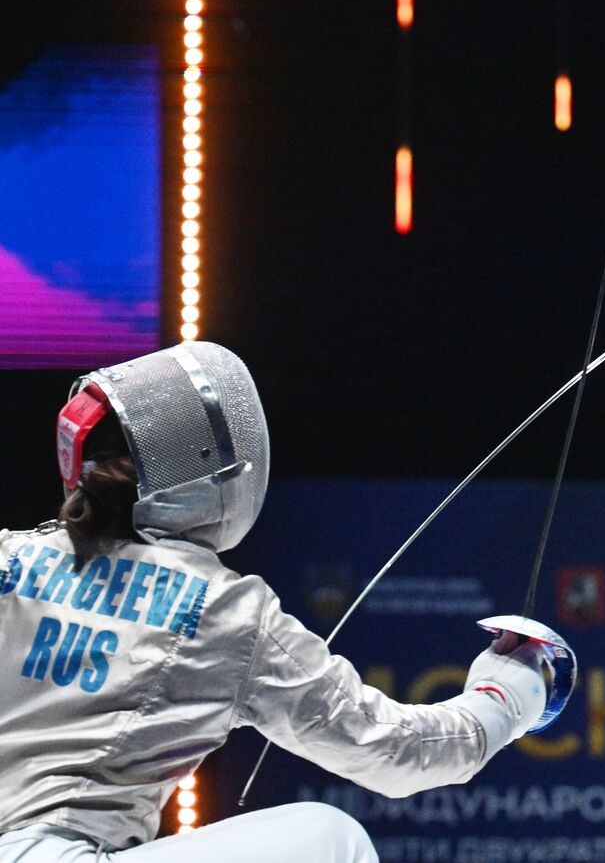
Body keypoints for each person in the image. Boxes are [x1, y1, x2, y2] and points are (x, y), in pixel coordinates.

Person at [0, 342, 569, 863]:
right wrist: (508, 694)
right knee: (331, 839)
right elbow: (397, 750)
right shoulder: (226, 612)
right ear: (214, 470)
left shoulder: (9, 556)